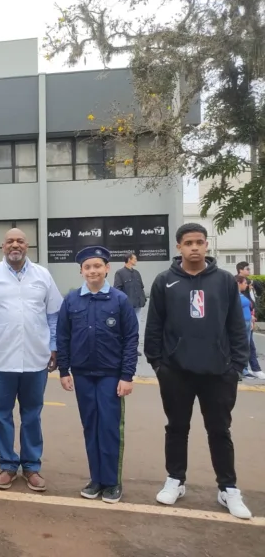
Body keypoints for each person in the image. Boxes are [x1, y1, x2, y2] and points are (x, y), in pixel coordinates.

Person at [145, 223, 252, 520]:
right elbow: (154, 326)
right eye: (188, 242)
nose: (194, 247)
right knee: (177, 428)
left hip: (218, 373)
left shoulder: (225, 281)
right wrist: (158, 364)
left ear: (207, 245)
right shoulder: (164, 281)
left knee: (219, 431)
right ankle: (175, 480)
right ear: (178, 247)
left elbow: (236, 327)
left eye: (199, 242)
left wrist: (236, 367)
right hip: (176, 372)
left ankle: (227, 488)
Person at [0, 228, 63, 492]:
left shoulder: (42, 275)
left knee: (32, 414)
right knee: (2, 415)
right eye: (10, 241)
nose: (15, 245)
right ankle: (8, 465)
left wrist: (54, 346)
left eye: (20, 241)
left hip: (36, 357)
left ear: (27, 245)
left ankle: (32, 466)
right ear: (3, 246)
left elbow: (53, 315)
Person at [56, 246, 139, 504]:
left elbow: (131, 339)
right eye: (87, 267)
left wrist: (127, 375)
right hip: (82, 375)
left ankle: (112, 482)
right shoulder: (71, 301)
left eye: (97, 266)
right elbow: (63, 337)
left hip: (110, 376)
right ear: (81, 271)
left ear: (107, 269)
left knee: (110, 428)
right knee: (90, 426)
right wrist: (64, 371)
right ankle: (96, 480)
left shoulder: (119, 300)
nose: (93, 271)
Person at [235, 261, 264, 379]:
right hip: (242, 322)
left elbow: (251, 303)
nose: (249, 271)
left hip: (248, 321)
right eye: (247, 269)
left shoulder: (247, 288)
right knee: (245, 345)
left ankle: (248, 369)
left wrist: (252, 317)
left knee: (249, 345)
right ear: (240, 270)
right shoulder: (235, 293)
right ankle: (244, 369)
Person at [113, 252, 146, 356]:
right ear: (129, 259)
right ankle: (124, 348)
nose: (136, 260)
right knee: (126, 327)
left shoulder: (137, 273)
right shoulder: (120, 273)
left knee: (136, 327)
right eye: (134, 258)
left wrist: (143, 299)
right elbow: (117, 289)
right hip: (127, 306)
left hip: (138, 304)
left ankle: (133, 349)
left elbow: (141, 287)